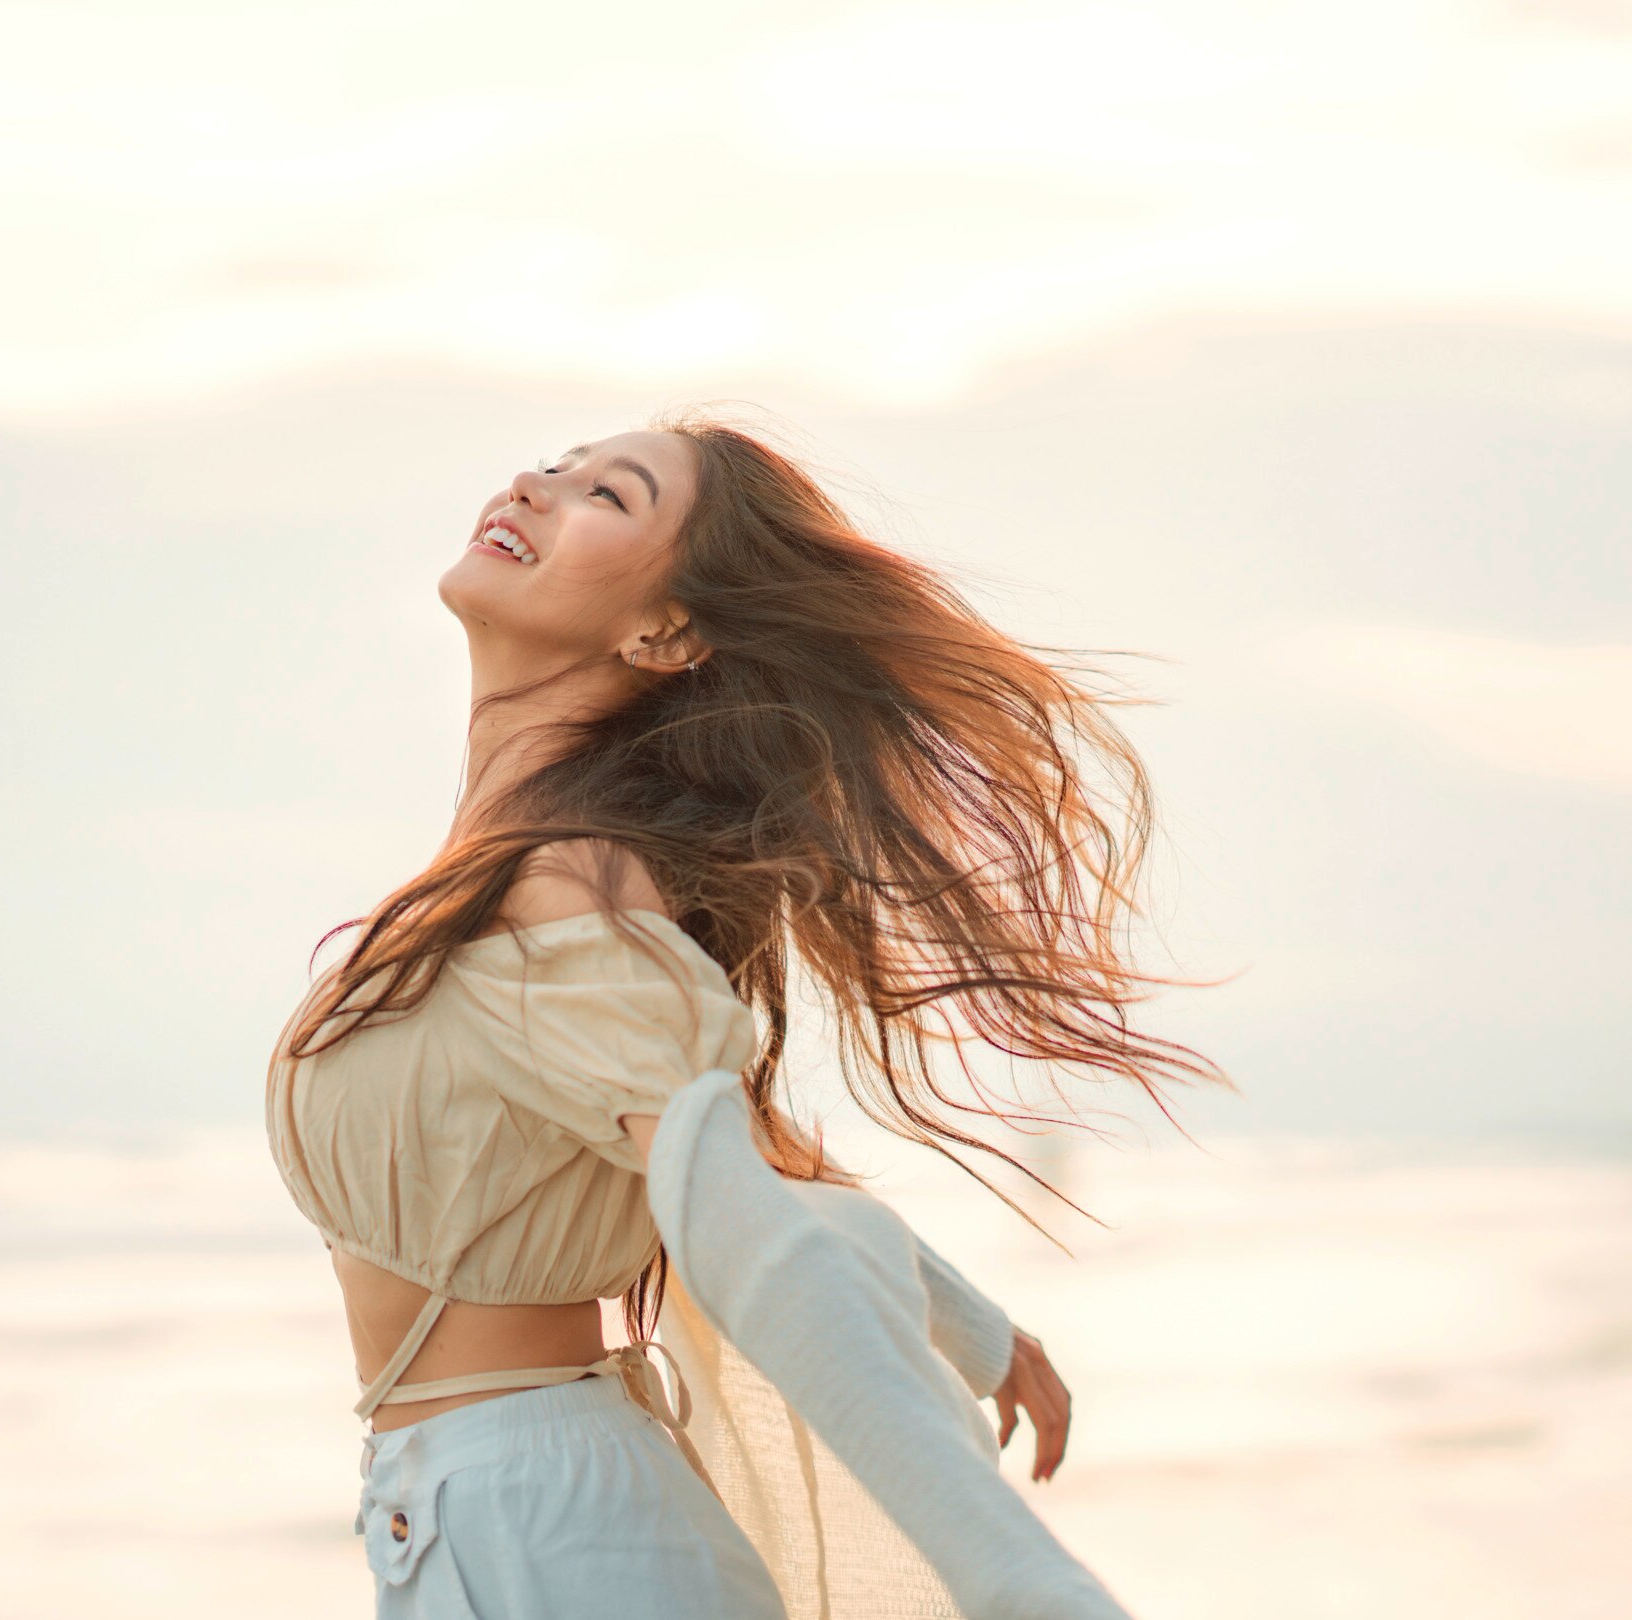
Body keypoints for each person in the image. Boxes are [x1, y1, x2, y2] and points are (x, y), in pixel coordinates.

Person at [264, 411, 1224, 1617]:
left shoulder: (568, 881)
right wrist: (973, 1327)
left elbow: (743, 1233)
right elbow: (729, 1147)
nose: (536, 485)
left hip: (544, 1531)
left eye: (606, 497)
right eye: (556, 465)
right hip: (482, 1513)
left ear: (668, 632)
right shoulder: (516, 871)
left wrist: (1030, 1590)